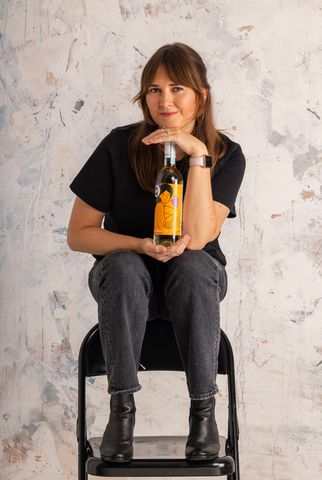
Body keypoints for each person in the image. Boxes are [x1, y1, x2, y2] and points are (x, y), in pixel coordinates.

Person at [67, 42, 245, 463]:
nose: (164, 100)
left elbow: (198, 236)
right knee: (126, 266)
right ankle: (121, 413)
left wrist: (198, 156)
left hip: (194, 285)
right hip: (124, 287)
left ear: (200, 95)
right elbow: (79, 234)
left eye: (177, 88)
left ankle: (204, 415)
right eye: (153, 89)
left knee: (195, 262)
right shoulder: (118, 146)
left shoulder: (225, 153)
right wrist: (138, 244)